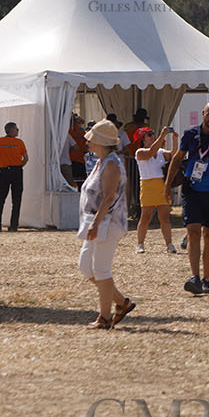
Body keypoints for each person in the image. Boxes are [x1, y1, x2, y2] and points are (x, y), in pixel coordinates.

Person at [165, 102, 209, 296]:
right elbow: (177, 159)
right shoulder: (190, 134)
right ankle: (194, 276)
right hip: (192, 190)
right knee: (193, 232)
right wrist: (167, 186)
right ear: (203, 114)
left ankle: (206, 279)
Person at [77, 120, 134, 330]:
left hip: (106, 224)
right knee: (86, 267)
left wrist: (96, 223)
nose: (88, 142)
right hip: (97, 222)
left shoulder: (111, 163)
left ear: (101, 142)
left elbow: (109, 197)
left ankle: (104, 318)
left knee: (100, 270)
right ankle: (121, 302)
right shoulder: (103, 161)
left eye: (91, 139)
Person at [134, 126, 177, 254]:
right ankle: (140, 244)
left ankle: (169, 244)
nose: (152, 136)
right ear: (143, 139)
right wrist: (162, 136)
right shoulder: (140, 152)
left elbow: (173, 154)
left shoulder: (160, 151)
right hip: (147, 186)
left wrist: (175, 140)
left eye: (153, 134)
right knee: (145, 217)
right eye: (149, 135)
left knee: (164, 217)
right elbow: (149, 153)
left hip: (160, 185)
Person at [0, 121, 28, 232]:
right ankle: (13, 226)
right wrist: (19, 166)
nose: (18, 130)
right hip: (17, 172)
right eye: (16, 128)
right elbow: (26, 158)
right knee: (16, 199)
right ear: (10, 130)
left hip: (5, 171)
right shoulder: (20, 142)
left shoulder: (0, 141)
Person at [67, 113, 88, 185]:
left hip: (72, 160)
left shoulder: (69, 132)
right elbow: (86, 147)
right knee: (80, 183)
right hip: (78, 160)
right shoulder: (82, 133)